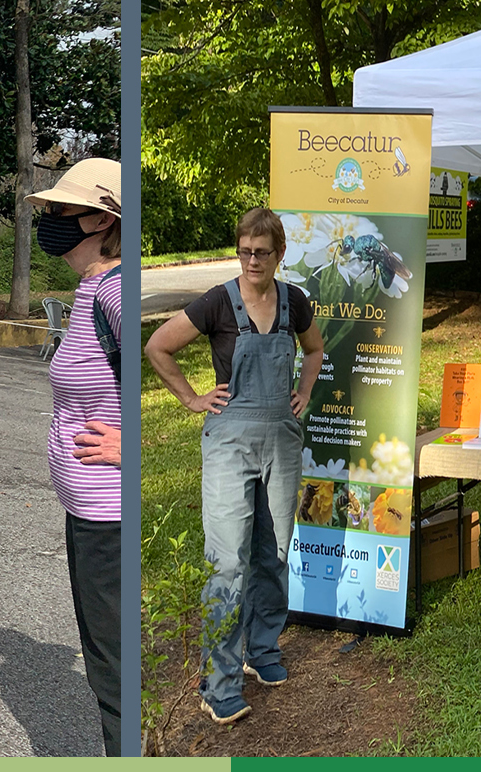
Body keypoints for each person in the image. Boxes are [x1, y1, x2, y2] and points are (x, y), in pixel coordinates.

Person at [145, 207, 324, 725]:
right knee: (228, 560)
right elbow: (159, 347)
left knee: (274, 551)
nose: (251, 260)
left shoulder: (295, 301)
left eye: (261, 252)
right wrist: (191, 398)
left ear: (279, 254)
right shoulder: (218, 303)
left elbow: (313, 351)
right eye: (244, 250)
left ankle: (260, 651)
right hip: (228, 442)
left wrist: (305, 391)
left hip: (281, 441)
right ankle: (217, 682)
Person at [27, 156, 124, 755]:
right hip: (87, 507)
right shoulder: (93, 290)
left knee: (112, 666)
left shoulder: (115, 290)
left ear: (99, 220)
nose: (50, 220)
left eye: (61, 210)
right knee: (104, 659)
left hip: (108, 514)